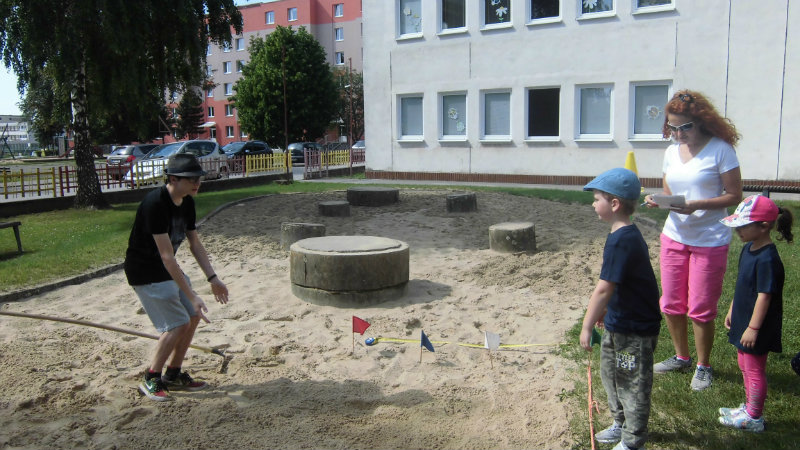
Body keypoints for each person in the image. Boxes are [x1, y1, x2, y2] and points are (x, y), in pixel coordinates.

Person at [644, 90, 743, 391]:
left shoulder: (721, 150)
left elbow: (734, 196)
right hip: (674, 236)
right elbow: (669, 191)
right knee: (671, 303)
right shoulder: (671, 152)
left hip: (709, 239)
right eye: (672, 127)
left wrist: (697, 204)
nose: (678, 134)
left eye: (684, 127)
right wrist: (659, 200)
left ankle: (703, 365)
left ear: (701, 121)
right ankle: (681, 357)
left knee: (700, 307)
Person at [124, 153, 229, 402]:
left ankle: (173, 373)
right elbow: (166, 256)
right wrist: (191, 295)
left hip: (165, 268)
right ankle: (151, 377)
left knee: (192, 316)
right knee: (178, 323)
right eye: (191, 179)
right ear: (173, 179)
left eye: (199, 178)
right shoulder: (155, 204)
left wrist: (213, 278)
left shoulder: (187, 202)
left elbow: (195, 244)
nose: (197, 183)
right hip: (145, 271)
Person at [580, 168, 662, 450]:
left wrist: (587, 325)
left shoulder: (623, 239)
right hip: (618, 322)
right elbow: (619, 283)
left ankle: (633, 440)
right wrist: (606, 311)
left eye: (597, 199)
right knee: (612, 376)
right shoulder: (619, 234)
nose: (593, 204)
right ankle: (620, 422)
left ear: (614, 204)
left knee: (632, 385)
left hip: (635, 330)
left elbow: (604, 288)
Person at [717, 194, 793, 432]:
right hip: (744, 318)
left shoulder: (768, 259)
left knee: (754, 368)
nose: (738, 230)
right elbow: (743, 284)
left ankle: (755, 417)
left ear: (764, 226)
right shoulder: (748, 248)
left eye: (743, 225)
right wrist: (733, 309)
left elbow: (764, 296)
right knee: (744, 363)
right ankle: (749, 407)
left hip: (758, 325)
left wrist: (753, 328)